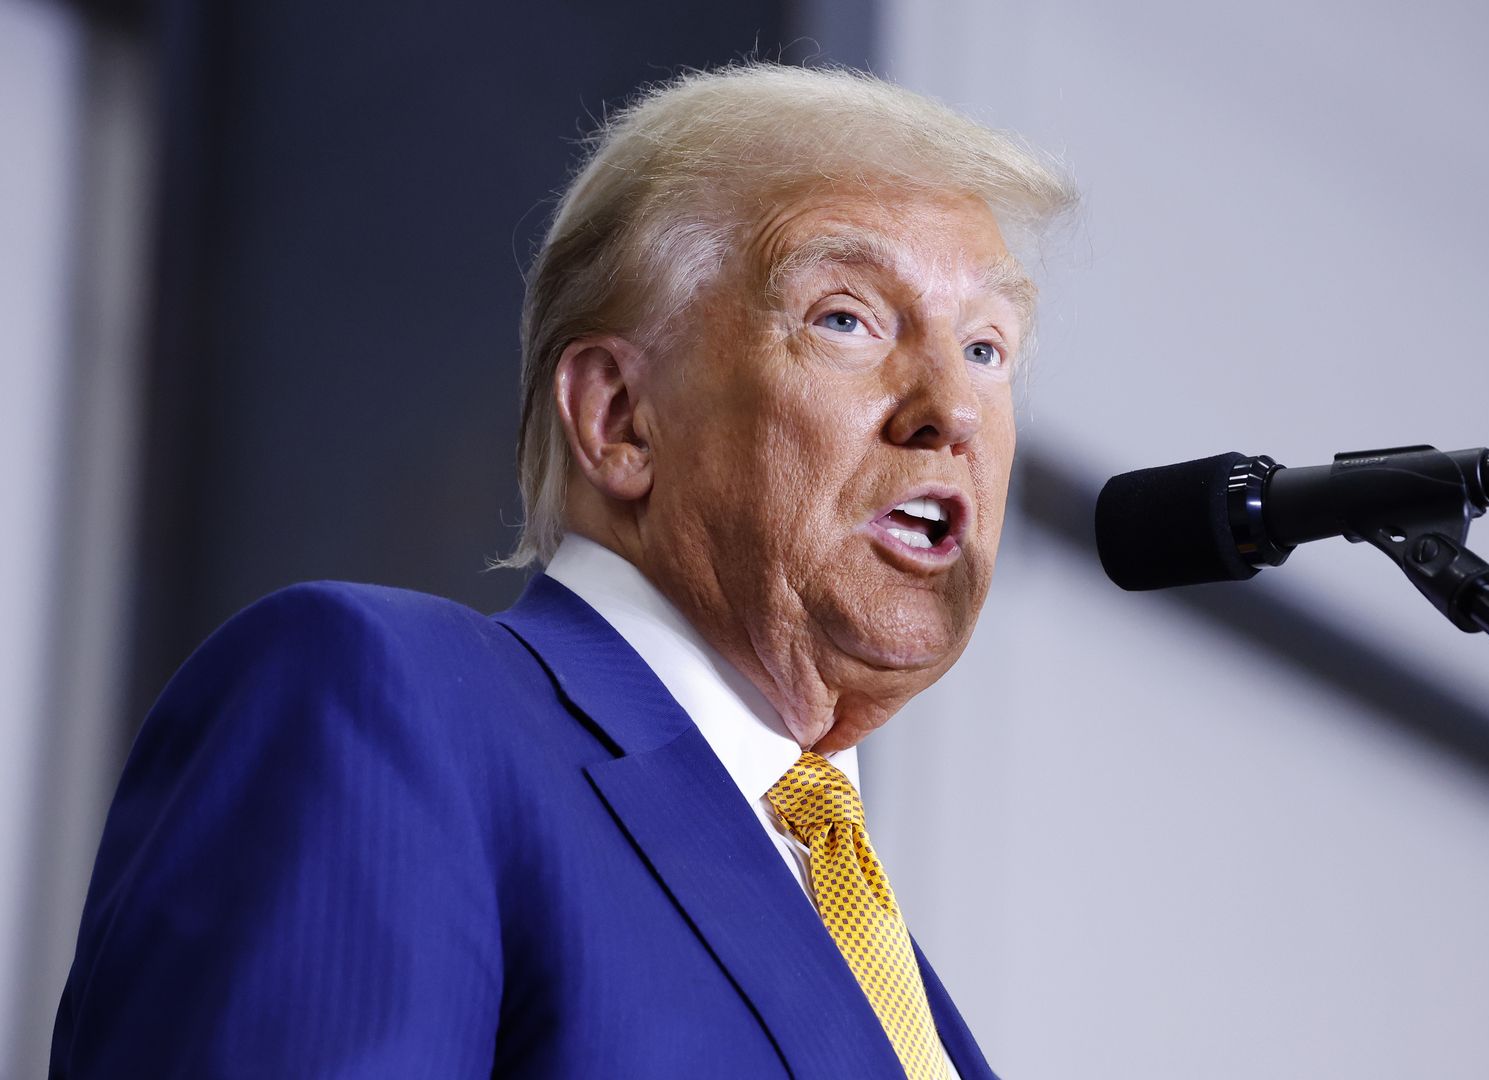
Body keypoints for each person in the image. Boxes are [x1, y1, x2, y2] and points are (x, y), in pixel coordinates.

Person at [51, 64, 1075, 1078]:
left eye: (989, 347)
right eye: (846, 318)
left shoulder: (905, 998)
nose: (953, 408)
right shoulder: (385, 702)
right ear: (620, 419)